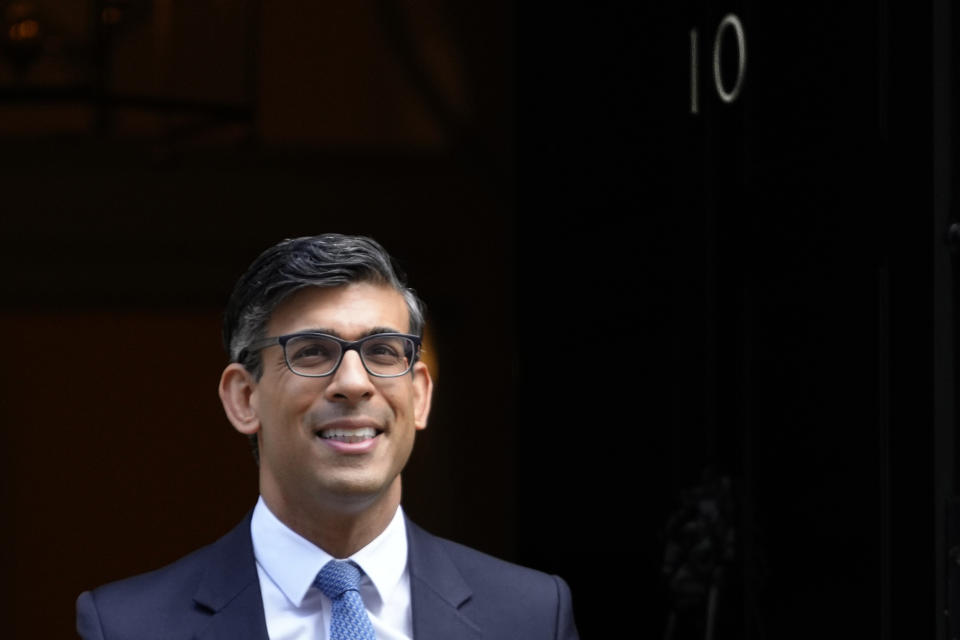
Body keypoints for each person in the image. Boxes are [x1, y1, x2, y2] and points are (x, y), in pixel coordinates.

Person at [76, 234, 579, 640]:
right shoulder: (126, 626)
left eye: (383, 351)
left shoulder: (532, 616)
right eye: (313, 351)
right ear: (244, 398)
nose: (355, 383)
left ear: (420, 396)